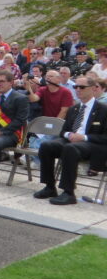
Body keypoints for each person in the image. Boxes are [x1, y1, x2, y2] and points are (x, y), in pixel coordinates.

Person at [34, 75, 107, 205]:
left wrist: (83, 137)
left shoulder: (103, 110)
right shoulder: (74, 108)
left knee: (69, 149)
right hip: (72, 141)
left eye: (82, 87)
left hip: (92, 144)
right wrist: (69, 135)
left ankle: (68, 192)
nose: (78, 89)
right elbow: (63, 131)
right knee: (46, 146)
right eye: (76, 86)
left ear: (93, 88)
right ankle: (50, 187)